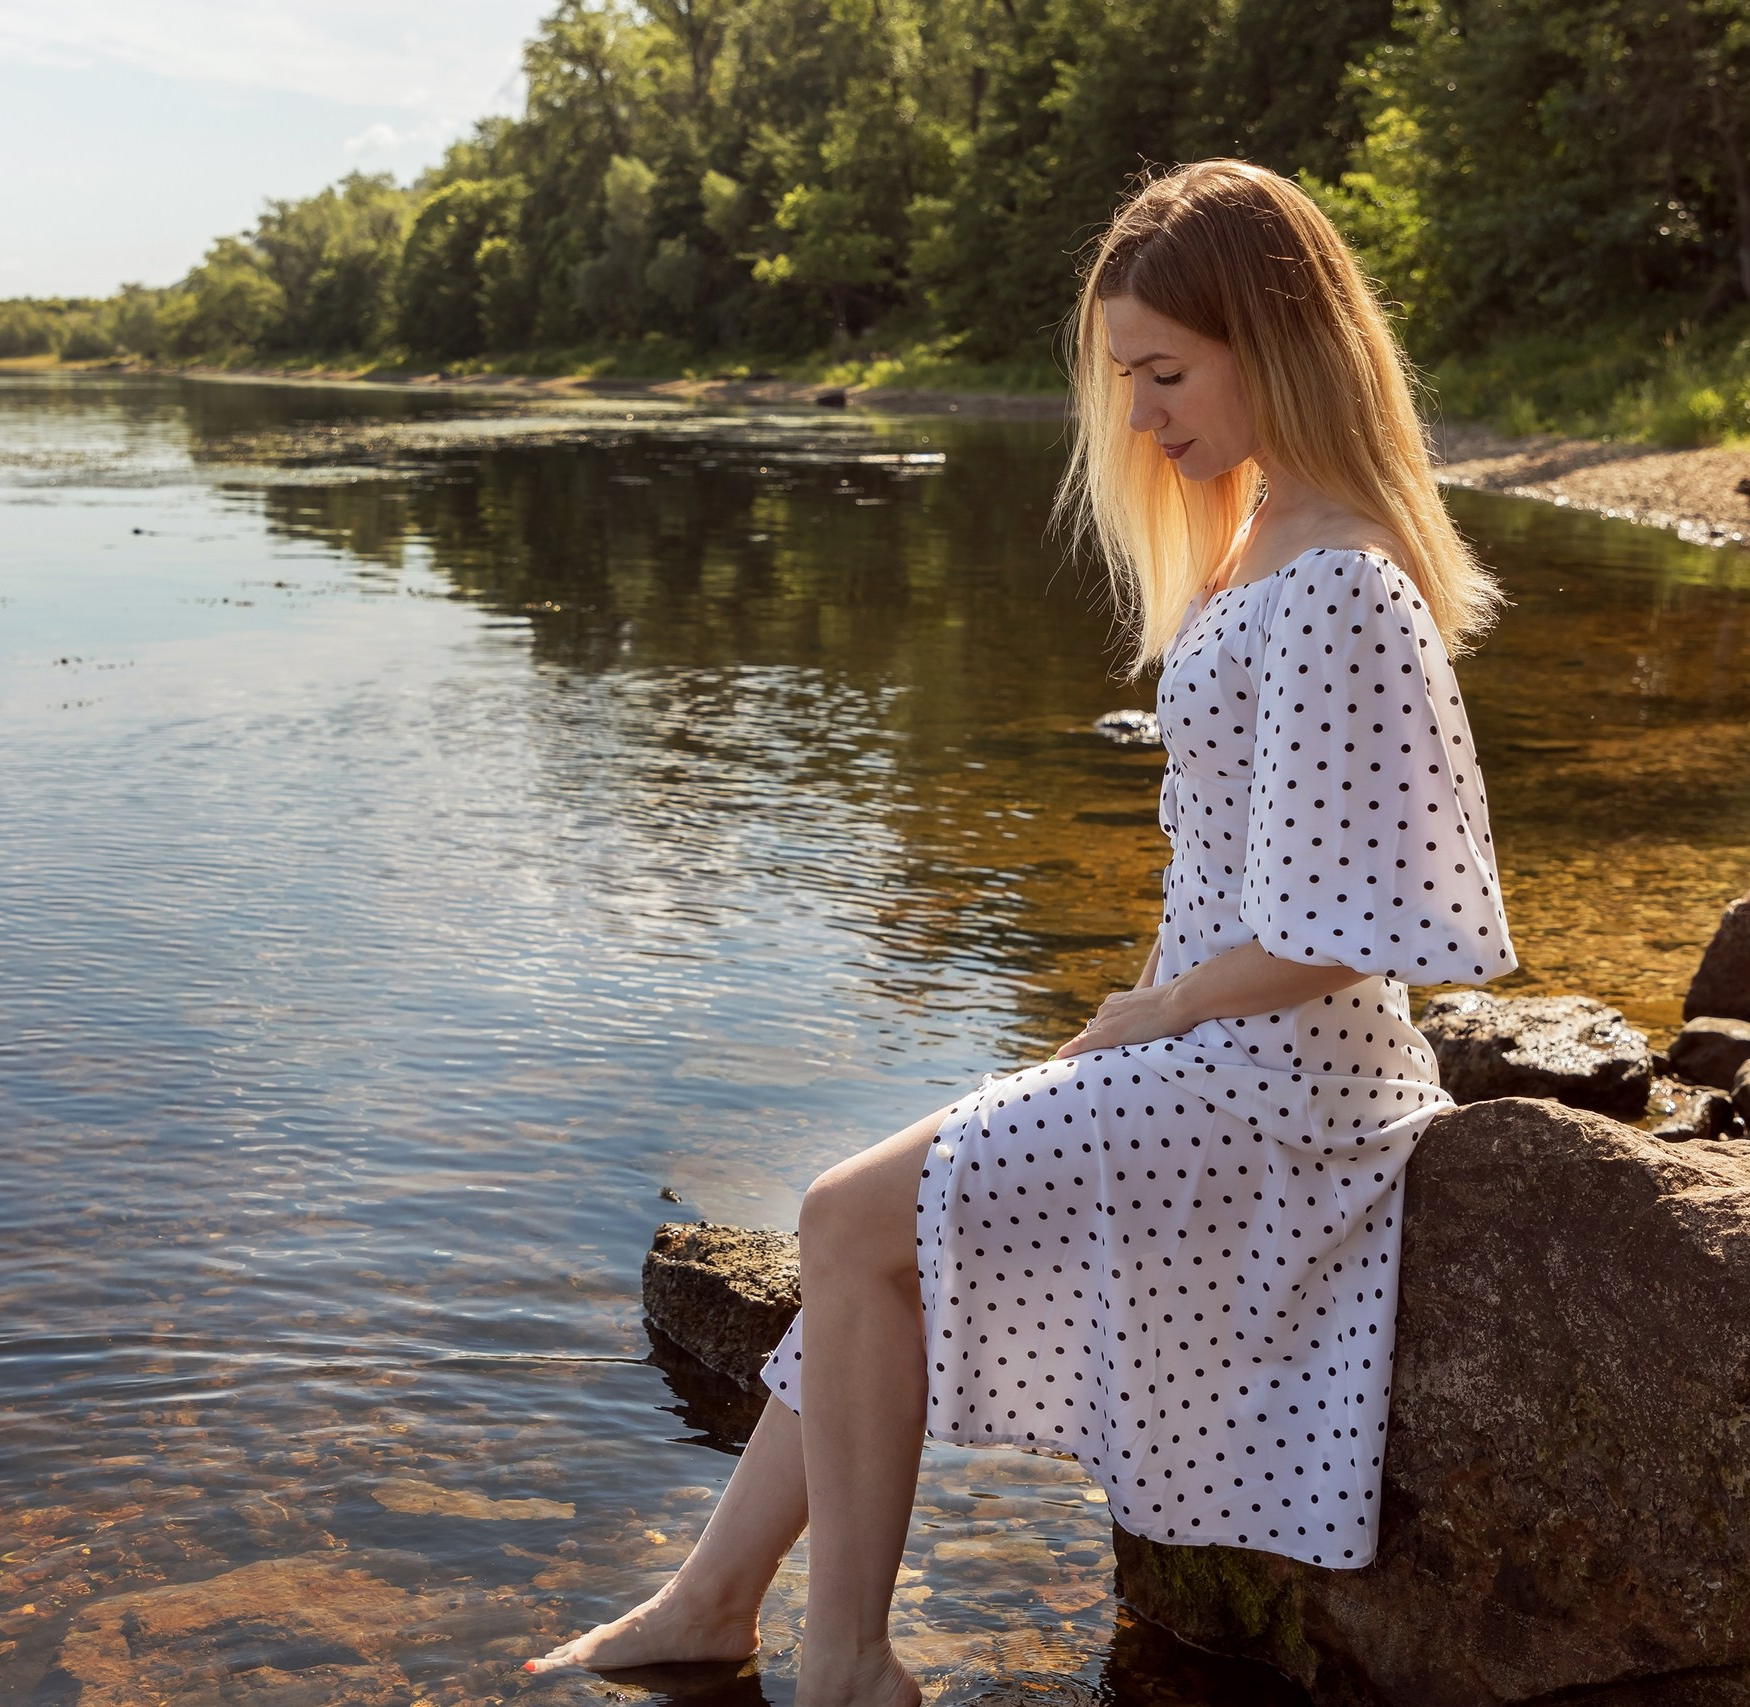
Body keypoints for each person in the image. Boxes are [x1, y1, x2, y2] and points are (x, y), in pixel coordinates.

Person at [528, 158, 1517, 1707]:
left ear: (1278, 338)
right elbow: (1233, 871)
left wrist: (1163, 1014)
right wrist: (1144, 1004)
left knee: (850, 1217)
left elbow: (1368, 921)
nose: (1139, 418)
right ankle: (715, 1599)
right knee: (871, 1239)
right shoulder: (1260, 536)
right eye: (1126, 378)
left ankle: (839, 1656)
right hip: (1215, 1046)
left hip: (1286, 1088)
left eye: (1164, 373)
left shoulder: (1340, 582)